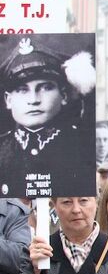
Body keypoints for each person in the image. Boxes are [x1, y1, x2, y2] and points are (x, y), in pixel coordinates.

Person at [0, 37, 94, 198]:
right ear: (8, 100)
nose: (34, 100)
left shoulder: (85, 147)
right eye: (22, 90)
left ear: (64, 95)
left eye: (45, 88)